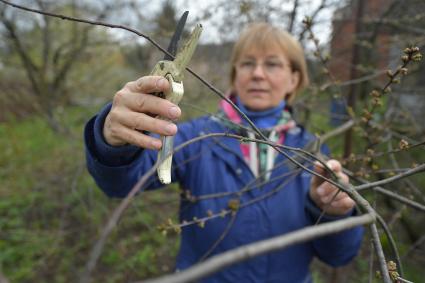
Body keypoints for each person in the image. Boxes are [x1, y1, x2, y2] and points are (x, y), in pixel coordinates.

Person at [84, 23, 364, 283]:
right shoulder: (196, 137)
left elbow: (338, 255)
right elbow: (121, 183)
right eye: (247, 63)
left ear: (294, 80)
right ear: (235, 76)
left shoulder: (312, 152)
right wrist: (114, 141)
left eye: (272, 64)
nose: (257, 73)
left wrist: (331, 212)